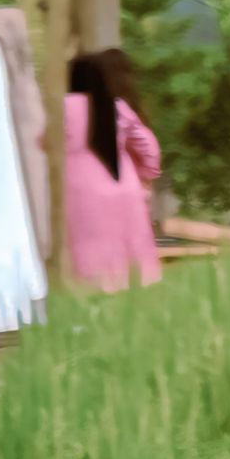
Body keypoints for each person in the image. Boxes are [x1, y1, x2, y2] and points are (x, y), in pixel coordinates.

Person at [62, 49, 164, 290]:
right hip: (123, 183)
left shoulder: (62, 107)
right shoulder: (117, 106)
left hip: (78, 188)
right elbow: (149, 148)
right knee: (127, 256)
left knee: (86, 253)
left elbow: (41, 140)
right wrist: (143, 176)